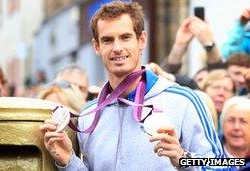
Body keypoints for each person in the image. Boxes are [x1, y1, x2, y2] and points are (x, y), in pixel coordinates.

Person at [40, 2, 225, 170]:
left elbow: (222, 165)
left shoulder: (184, 100)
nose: (117, 48)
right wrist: (69, 162)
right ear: (96, 46)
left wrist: (183, 159)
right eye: (107, 40)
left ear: (141, 40)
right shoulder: (89, 115)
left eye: (125, 37)